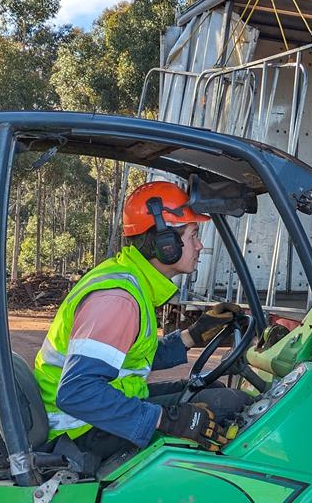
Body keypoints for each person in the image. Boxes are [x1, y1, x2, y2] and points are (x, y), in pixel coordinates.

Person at [34, 180, 250, 461]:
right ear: (166, 244)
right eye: (193, 235)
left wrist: (193, 335)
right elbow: (77, 393)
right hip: (78, 433)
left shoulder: (132, 283)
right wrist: (167, 420)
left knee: (214, 393)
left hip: (94, 418)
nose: (200, 246)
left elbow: (128, 357)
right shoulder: (118, 300)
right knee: (224, 406)